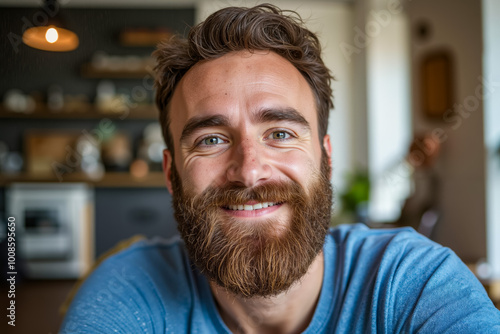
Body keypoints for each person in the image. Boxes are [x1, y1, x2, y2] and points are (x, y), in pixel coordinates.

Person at [60, 4, 500, 333]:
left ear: (326, 158)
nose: (250, 172)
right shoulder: (127, 295)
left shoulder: (412, 284)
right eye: (211, 140)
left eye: (281, 133)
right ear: (171, 174)